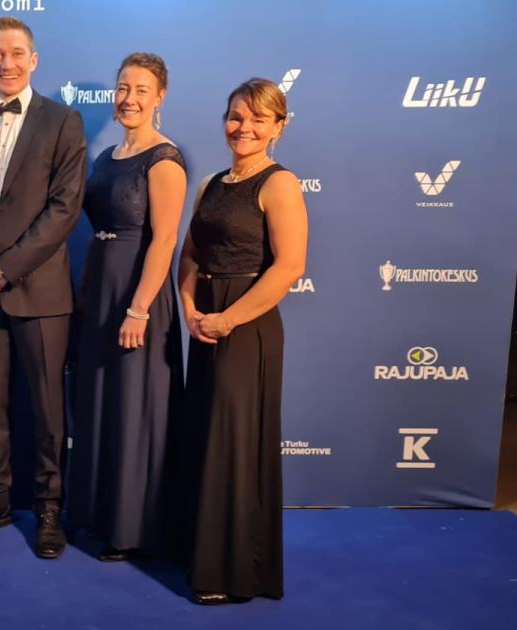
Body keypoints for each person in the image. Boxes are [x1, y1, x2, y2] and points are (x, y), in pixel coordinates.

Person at [0, 16, 87, 559]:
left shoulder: (63, 120)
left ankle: (50, 509)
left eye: (16, 53)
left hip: (40, 290)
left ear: (34, 60)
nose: (6, 63)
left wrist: (6, 267)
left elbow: (64, 208)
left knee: (49, 411)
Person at [177, 78, 308, 603]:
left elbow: (290, 266)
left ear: (279, 126)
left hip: (247, 323)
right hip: (205, 319)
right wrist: (189, 307)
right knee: (207, 438)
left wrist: (228, 320)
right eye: (236, 116)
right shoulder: (212, 183)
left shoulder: (280, 183)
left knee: (234, 444)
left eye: (258, 118)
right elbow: (191, 254)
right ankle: (203, 554)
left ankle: (235, 572)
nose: (244, 127)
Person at [67, 52, 186, 562]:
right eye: (122, 87)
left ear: (160, 97)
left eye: (140, 89)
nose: (129, 98)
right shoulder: (104, 159)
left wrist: (138, 309)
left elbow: (164, 241)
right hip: (100, 288)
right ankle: (100, 515)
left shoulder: (164, 159)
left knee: (135, 405)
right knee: (103, 403)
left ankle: (134, 528)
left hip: (138, 293)